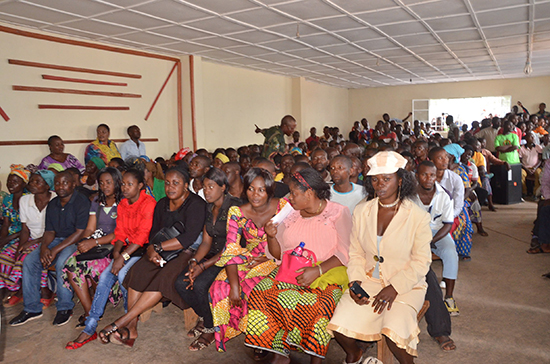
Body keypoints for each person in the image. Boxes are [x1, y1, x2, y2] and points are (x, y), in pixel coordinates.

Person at [327, 151, 432, 364]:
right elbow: (356, 252)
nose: (379, 184)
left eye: (386, 179)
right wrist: (355, 281)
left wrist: (394, 287)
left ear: (400, 180)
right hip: (369, 281)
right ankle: (354, 354)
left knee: (394, 335)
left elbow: (422, 262)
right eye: (375, 179)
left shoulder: (417, 217)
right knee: (339, 326)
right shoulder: (362, 210)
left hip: (406, 285)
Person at [245, 168, 352, 364]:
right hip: (290, 268)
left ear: (309, 193)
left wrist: (317, 270)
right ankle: (279, 352)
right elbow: (277, 254)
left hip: (326, 272)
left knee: (318, 305)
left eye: (294, 193)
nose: (289, 198)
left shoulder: (338, 212)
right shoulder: (290, 214)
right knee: (261, 293)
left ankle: (315, 358)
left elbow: (345, 252)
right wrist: (270, 235)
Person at [98, 166, 205, 347]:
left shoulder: (196, 204)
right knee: (137, 271)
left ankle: (121, 322)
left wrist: (157, 247)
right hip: (162, 248)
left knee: (163, 278)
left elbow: (188, 238)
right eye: (168, 183)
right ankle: (131, 327)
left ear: (186, 185)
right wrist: (152, 250)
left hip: (188, 252)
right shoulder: (162, 203)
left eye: (176, 183)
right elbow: (154, 232)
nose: (170, 187)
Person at [65, 168, 155, 349]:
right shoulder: (123, 204)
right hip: (125, 250)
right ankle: (89, 329)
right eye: (124, 184)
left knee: (122, 275)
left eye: (130, 184)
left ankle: (129, 322)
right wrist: (116, 255)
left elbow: (142, 237)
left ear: (140, 185)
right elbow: (120, 233)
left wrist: (122, 257)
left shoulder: (148, 202)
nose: (126, 187)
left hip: (144, 250)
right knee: (107, 276)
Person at [208, 167, 287, 352]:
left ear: (269, 190)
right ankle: (231, 330)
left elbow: (285, 246)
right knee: (219, 288)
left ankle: (259, 338)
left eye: (261, 190)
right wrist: (234, 286)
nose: (255, 195)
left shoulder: (282, 207)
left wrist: (264, 258)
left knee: (254, 289)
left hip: (276, 258)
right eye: (251, 189)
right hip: (247, 256)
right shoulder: (237, 211)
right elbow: (231, 248)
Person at [10, 171, 91, 327]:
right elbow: (49, 231)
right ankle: (32, 308)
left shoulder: (81, 202)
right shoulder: (53, 204)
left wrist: (53, 251)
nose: (60, 187)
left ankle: (65, 307)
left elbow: (79, 233)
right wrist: (44, 248)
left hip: (76, 241)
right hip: (55, 240)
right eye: (58, 183)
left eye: (65, 183)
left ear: (73, 184)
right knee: (30, 261)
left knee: (62, 262)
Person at [175, 168, 242, 351]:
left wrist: (202, 267)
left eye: (211, 187)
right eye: (204, 187)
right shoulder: (209, 207)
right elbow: (205, 242)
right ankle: (206, 317)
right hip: (211, 256)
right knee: (181, 283)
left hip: (231, 258)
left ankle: (211, 329)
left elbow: (231, 247)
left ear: (223, 187)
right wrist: (194, 262)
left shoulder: (234, 207)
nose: (207, 191)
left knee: (200, 284)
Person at [61, 167, 123, 328]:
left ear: (117, 182)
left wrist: (94, 243)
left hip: (116, 246)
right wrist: (85, 240)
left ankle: (96, 307)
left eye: (109, 182)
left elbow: (119, 233)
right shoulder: (96, 201)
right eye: (101, 183)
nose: (105, 186)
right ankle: (90, 311)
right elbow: (90, 228)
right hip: (97, 243)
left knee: (94, 267)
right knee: (71, 264)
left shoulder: (123, 202)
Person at [1, 170, 56, 307]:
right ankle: (9, 289)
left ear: (47, 185)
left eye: (37, 182)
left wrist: (32, 243)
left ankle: (24, 292)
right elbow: (25, 229)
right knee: (5, 256)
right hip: (31, 236)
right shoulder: (25, 200)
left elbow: (56, 229)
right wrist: (22, 245)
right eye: (32, 181)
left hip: (50, 238)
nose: (32, 184)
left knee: (25, 258)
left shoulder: (55, 199)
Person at [413, 161, 460, 316]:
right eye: (424, 174)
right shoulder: (409, 195)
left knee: (451, 252)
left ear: (436, 176)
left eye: (432, 175)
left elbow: (447, 224)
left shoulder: (444, 195)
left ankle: (449, 297)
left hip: (437, 233)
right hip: (414, 233)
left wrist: (431, 241)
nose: (428, 178)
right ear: (417, 176)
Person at [0, 166, 31, 303]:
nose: (10, 184)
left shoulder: (28, 200)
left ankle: (15, 289)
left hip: (27, 236)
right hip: (12, 236)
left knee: (9, 255)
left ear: (24, 183)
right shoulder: (7, 200)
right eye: (9, 181)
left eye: (15, 181)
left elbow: (29, 227)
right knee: (2, 252)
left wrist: (9, 238)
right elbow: (5, 225)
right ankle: (4, 287)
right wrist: (2, 240)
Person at [519, 131, 543, 197]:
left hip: (536, 167)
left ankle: (535, 193)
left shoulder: (538, 147)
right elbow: (520, 161)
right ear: (526, 138)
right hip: (525, 167)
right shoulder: (522, 148)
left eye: (533, 137)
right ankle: (524, 192)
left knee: (539, 174)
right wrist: (526, 169)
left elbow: (540, 160)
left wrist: (535, 168)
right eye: (531, 137)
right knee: (521, 174)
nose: (533, 138)